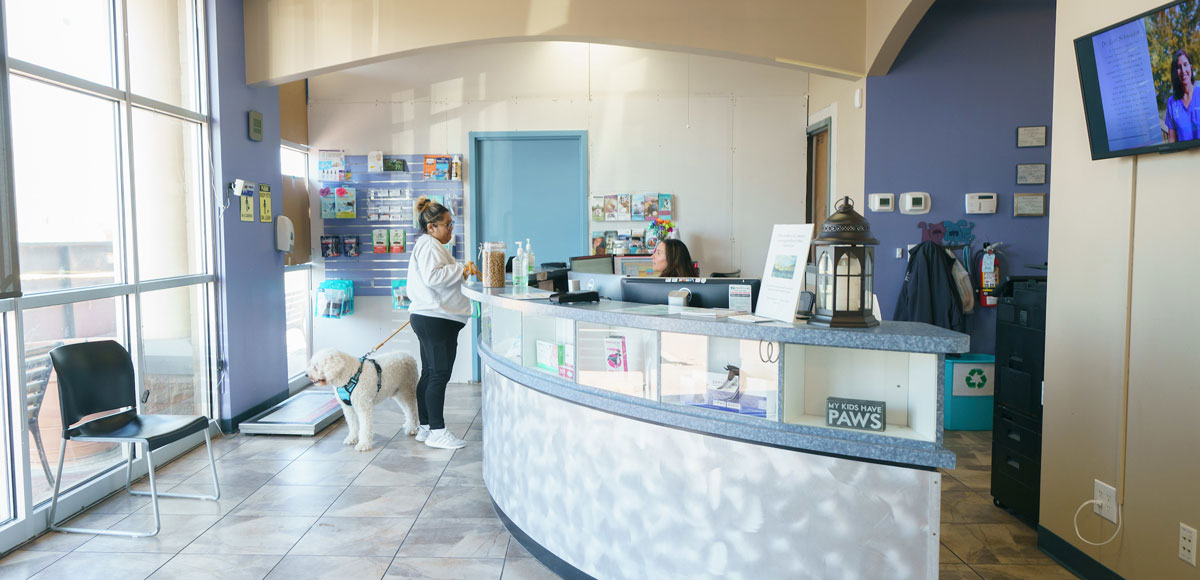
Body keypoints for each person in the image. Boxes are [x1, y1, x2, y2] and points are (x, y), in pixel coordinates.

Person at [406, 196, 479, 449]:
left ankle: (425, 427)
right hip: (435, 318)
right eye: (447, 224)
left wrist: (460, 269)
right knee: (438, 375)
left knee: (429, 373)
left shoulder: (430, 245)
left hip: (433, 318)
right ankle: (437, 431)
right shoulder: (428, 245)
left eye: (452, 223)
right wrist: (463, 270)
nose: (451, 229)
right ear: (431, 227)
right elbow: (433, 277)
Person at [1165, 48, 1198, 143]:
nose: (1183, 70)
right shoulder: (1172, 103)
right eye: (1179, 67)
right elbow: (1172, 140)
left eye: (1185, 64)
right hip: (1182, 157)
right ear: (1175, 72)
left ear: (1190, 67)